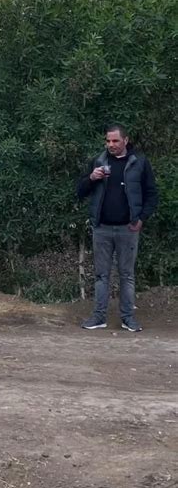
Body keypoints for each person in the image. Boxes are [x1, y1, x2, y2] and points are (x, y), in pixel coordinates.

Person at [77, 123, 158, 332]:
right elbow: (80, 191)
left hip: (128, 229)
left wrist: (141, 218)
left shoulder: (139, 162)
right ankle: (98, 317)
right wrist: (91, 178)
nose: (110, 145)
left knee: (127, 275)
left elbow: (151, 194)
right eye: (108, 141)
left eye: (115, 141)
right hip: (102, 228)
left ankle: (128, 318)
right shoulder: (98, 161)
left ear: (125, 141)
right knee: (101, 275)